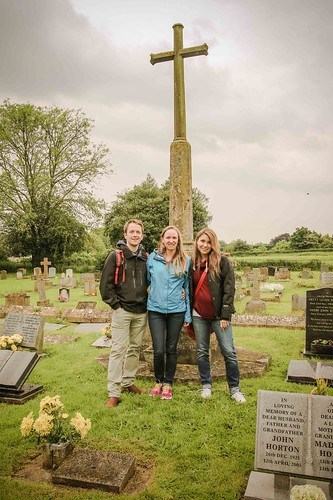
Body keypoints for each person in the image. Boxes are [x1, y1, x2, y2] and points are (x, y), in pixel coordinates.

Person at [191, 228, 245, 403]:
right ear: (197, 242)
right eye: (202, 241)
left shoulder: (222, 262)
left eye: (208, 242)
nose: (205, 245)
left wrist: (225, 316)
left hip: (218, 316)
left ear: (213, 244)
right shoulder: (191, 262)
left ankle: (235, 389)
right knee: (201, 352)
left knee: (228, 351)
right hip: (198, 314)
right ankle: (206, 386)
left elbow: (229, 289)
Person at [100, 219, 148, 408]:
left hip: (141, 311)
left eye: (138, 232)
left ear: (142, 235)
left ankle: (128, 383)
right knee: (118, 350)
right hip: (122, 311)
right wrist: (116, 306)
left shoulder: (146, 257)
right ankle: (114, 392)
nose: (135, 235)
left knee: (135, 348)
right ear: (126, 234)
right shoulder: (115, 256)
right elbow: (105, 285)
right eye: (132, 232)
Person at [147, 225, 191, 400]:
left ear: (178, 240)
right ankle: (158, 381)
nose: (171, 241)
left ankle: (168, 383)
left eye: (174, 238)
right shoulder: (152, 258)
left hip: (176, 311)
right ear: (162, 240)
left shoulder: (186, 260)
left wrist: (187, 314)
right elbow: (148, 281)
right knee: (158, 349)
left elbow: (187, 288)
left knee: (171, 349)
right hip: (155, 310)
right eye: (168, 237)